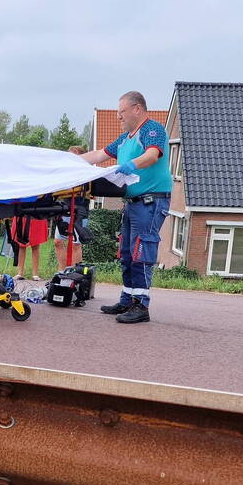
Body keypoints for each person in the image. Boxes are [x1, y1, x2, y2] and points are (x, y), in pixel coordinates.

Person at [80, 91, 171, 324]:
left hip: (150, 201)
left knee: (141, 250)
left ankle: (141, 305)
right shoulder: (124, 138)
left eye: (122, 112)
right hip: (132, 203)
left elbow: (152, 155)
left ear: (137, 109)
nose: (118, 117)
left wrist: (131, 165)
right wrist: (70, 161)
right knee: (128, 253)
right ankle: (127, 299)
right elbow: (99, 155)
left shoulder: (152, 129)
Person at [55, 149, 93, 270]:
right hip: (64, 209)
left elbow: (91, 192)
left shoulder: (87, 172)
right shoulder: (65, 172)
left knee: (76, 244)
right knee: (58, 242)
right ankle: (61, 272)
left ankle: (76, 272)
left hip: (80, 211)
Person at [10, 215, 49, 280]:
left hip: (36, 216)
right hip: (23, 216)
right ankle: (20, 273)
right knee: (21, 244)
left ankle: (35, 274)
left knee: (36, 245)